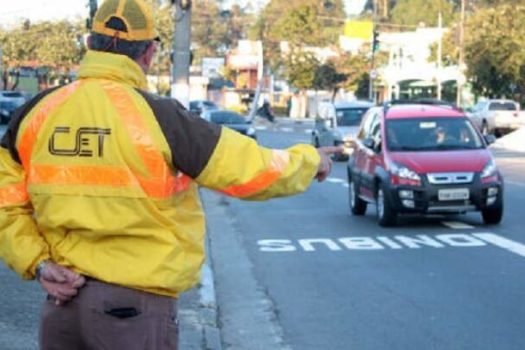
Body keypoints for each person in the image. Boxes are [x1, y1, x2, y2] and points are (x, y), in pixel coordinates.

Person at [0, 0, 341, 349]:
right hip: (133, 313)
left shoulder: (35, 113)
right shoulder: (159, 117)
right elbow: (247, 169)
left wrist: (38, 263)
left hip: (61, 307)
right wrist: (309, 160)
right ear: (148, 54)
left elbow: (5, 204)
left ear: (90, 44)